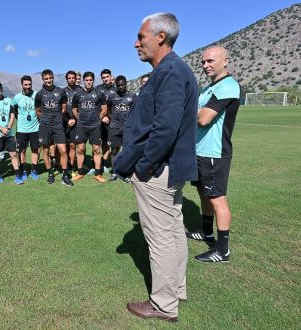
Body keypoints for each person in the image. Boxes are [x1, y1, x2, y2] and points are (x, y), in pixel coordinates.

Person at [112, 13, 198, 322]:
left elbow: (165, 128)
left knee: (161, 238)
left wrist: (144, 167)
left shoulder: (171, 71)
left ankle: (163, 304)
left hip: (159, 170)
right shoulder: (171, 70)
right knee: (174, 232)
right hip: (169, 168)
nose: (136, 43)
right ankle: (175, 291)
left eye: (141, 36)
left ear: (160, 37)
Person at [188, 46, 240, 262]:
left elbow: (203, 118)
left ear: (225, 61)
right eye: (203, 62)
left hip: (215, 153)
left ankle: (222, 249)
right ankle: (206, 232)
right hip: (200, 150)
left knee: (217, 198)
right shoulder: (209, 88)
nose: (205, 65)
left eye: (210, 61)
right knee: (204, 193)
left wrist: (192, 114)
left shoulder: (228, 86)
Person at [34, 69, 73, 186]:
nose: (48, 80)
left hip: (58, 125)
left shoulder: (60, 91)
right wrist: (45, 119)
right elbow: (38, 111)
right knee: (46, 151)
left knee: (63, 150)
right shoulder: (39, 94)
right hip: (45, 126)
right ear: (43, 80)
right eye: (46, 79)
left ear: (53, 78)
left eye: (50, 78)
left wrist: (56, 118)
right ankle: (50, 174)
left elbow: (64, 108)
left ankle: (65, 176)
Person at [71, 71, 108, 183]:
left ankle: (98, 174)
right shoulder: (78, 94)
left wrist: (97, 119)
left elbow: (104, 109)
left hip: (95, 126)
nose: (88, 82)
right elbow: (74, 109)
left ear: (93, 80)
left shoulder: (99, 93)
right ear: (83, 81)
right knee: (80, 149)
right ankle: (80, 172)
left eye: (90, 80)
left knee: (96, 149)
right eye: (86, 80)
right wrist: (79, 118)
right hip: (81, 126)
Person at [0, 81, 23, 184]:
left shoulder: (8, 100)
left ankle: (17, 175)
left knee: (14, 154)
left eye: (0, 87)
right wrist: (2, 129)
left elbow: (12, 115)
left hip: (9, 133)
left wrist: (8, 128)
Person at [106, 75, 137, 181]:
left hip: (128, 128)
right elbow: (108, 110)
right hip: (114, 128)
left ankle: (127, 173)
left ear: (126, 84)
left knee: (127, 151)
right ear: (116, 85)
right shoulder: (112, 96)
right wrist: (113, 119)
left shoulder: (132, 96)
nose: (120, 87)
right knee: (114, 151)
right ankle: (114, 172)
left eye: (122, 85)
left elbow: (136, 111)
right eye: (118, 85)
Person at [12, 75, 39, 180]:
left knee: (35, 150)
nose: (28, 86)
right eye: (25, 85)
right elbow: (13, 109)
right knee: (22, 151)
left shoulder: (37, 95)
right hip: (22, 129)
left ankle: (34, 170)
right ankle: (23, 170)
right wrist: (17, 116)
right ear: (22, 85)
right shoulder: (17, 97)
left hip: (35, 128)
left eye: (29, 84)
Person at [96, 68, 117, 172]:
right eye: (103, 77)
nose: (105, 79)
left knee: (109, 143)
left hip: (112, 121)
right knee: (96, 144)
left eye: (107, 77)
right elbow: (94, 106)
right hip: (99, 120)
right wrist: (102, 117)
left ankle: (105, 163)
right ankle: (96, 164)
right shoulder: (97, 89)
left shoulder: (116, 90)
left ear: (110, 76)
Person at [63, 70, 82, 175]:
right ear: (66, 79)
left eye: (73, 78)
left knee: (74, 145)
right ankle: (63, 164)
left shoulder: (80, 90)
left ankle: (72, 165)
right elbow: (60, 109)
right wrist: (67, 120)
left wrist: (75, 119)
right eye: (69, 78)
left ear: (76, 79)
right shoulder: (62, 91)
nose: (71, 79)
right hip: (65, 121)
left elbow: (83, 108)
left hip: (77, 122)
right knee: (64, 145)